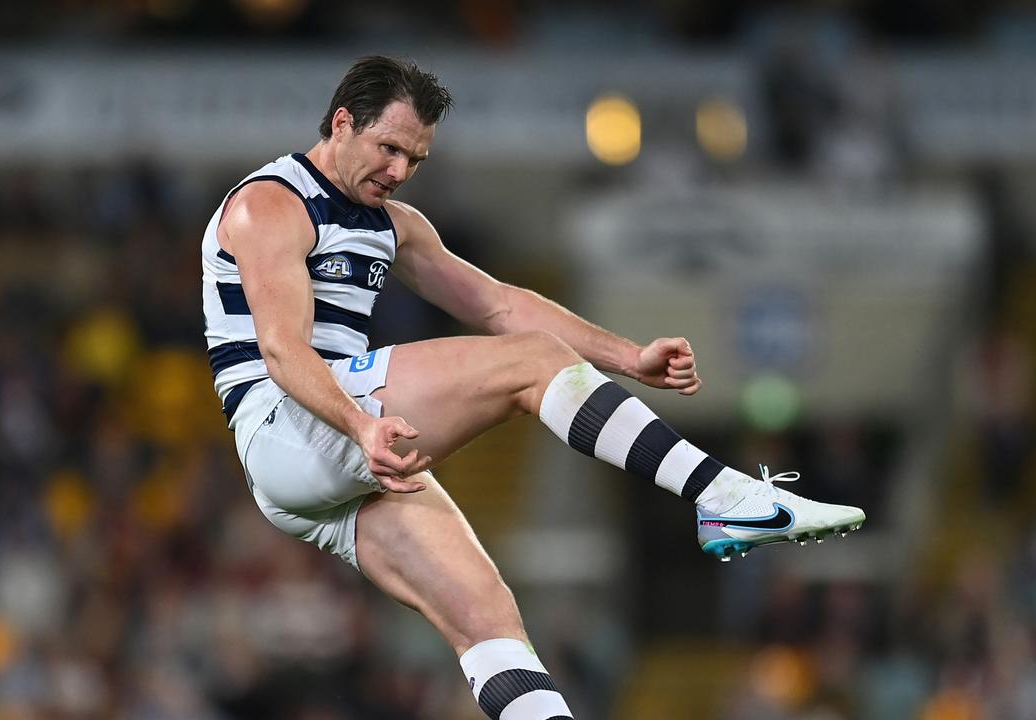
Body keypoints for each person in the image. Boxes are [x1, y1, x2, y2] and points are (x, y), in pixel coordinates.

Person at [201, 56, 865, 720]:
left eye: (416, 158)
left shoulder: (394, 223)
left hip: (328, 465)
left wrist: (628, 356)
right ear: (343, 123)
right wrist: (359, 425)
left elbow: (498, 304)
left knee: (489, 622)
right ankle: (725, 496)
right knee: (530, 362)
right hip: (288, 424)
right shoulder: (271, 203)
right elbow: (283, 352)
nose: (401, 171)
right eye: (390, 148)